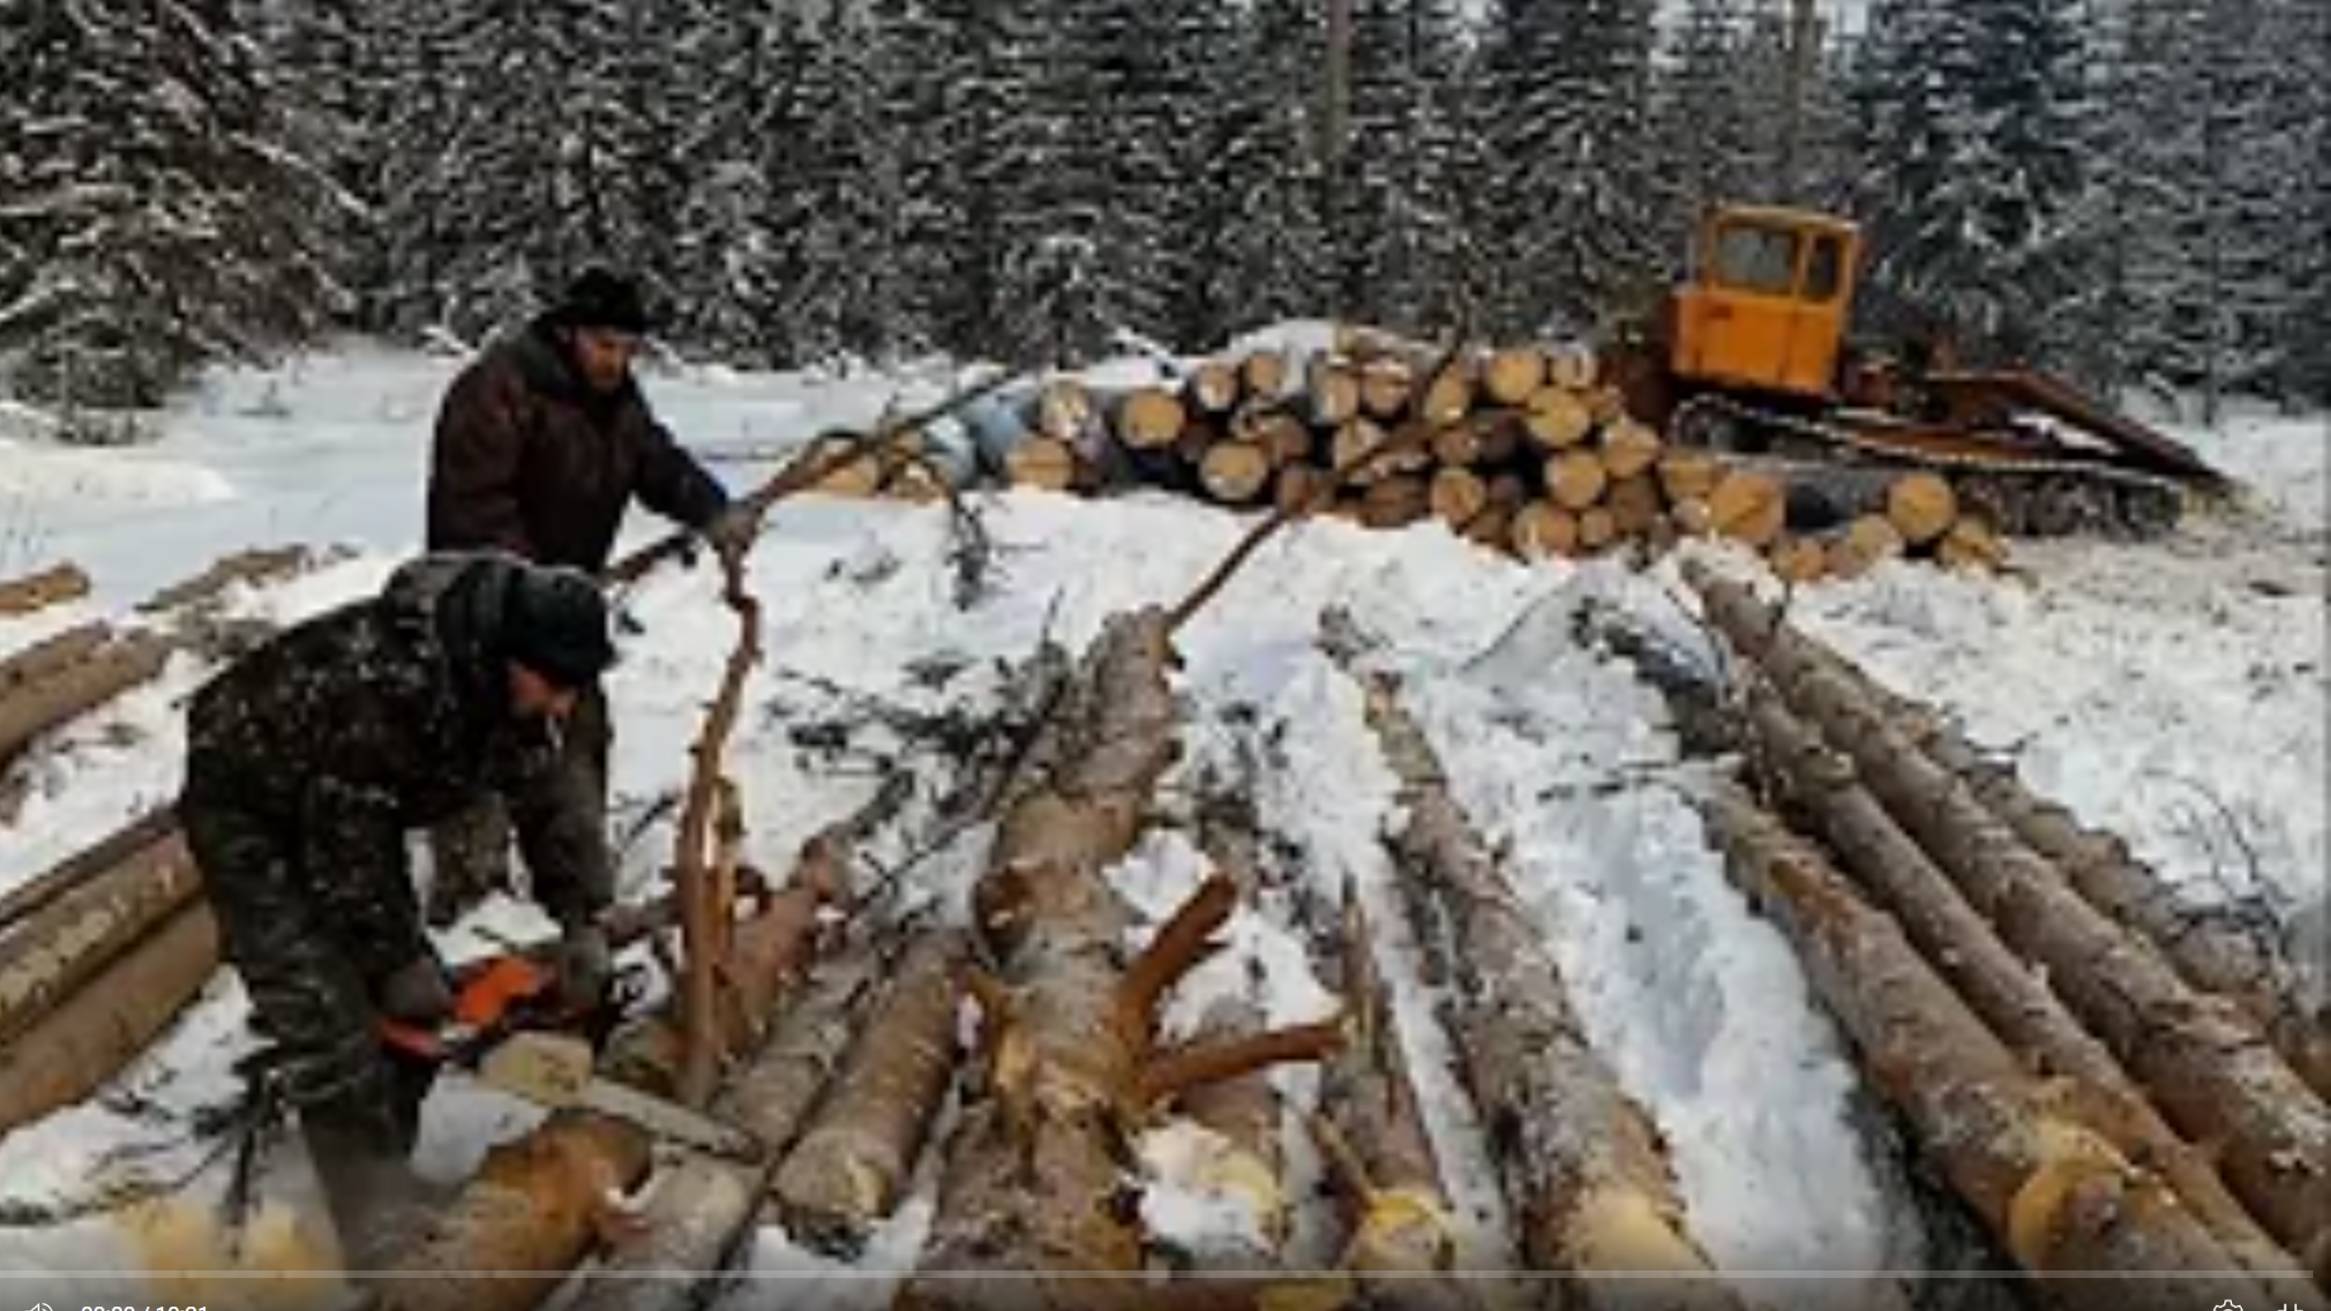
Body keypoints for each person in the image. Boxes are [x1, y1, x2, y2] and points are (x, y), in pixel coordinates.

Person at [176, 552, 624, 1267]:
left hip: (349, 804)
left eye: (576, 686)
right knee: (326, 1008)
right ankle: (371, 1224)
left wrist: (581, 915)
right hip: (252, 797)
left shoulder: (548, 679)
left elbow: (555, 798)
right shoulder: (389, 682)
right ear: (504, 654)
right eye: (552, 684)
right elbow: (347, 842)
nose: (563, 703)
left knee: (412, 1015)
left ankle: (383, 1156)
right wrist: (393, 957)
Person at [422, 268, 753, 924]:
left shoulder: (619, 403)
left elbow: (656, 464)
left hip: (560, 614)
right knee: (477, 753)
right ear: (569, 331)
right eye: (605, 345)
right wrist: (538, 593)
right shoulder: (496, 389)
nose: (616, 360)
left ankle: (581, 900)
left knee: (577, 744)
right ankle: (468, 906)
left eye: (629, 349)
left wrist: (711, 509)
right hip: (481, 609)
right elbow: (473, 510)